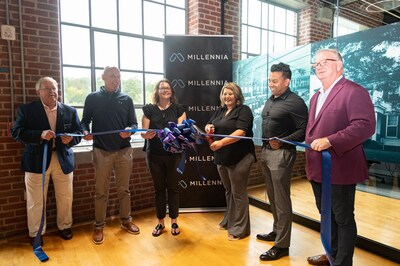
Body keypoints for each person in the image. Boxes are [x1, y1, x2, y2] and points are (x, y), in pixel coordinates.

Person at [306, 49, 376, 266]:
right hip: (317, 169)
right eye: (315, 64)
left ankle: (342, 262)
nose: (318, 66)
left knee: (343, 218)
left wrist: (331, 140)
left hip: (340, 168)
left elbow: (365, 126)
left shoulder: (354, 91)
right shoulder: (316, 96)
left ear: (339, 65)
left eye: (324, 62)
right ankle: (332, 255)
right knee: (327, 216)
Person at [11, 77, 82, 245]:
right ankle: (35, 233)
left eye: (55, 88)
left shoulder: (70, 111)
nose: (52, 91)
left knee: (65, 197)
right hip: (36, 161)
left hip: (63, 160)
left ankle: (64, 226)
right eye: (47, 88)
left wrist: (70, 140)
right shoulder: (27, 110)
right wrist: (39, 135)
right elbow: (17, 132)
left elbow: (79, 132)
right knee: (35, 199)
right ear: (38, 92)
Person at [80, 66, 140, 245]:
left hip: (123, 150)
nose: (116, 79)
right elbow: (84, 122)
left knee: (124, 189)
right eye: (112, 76)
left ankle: (126, 220)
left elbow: (134, 124)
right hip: (101, 151)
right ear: (103, 77)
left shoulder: (126, 99)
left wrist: (130, 130)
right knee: (101, 192)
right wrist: (85, 132)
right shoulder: (92, 98)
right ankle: (98, 225)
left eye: (118, 76)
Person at [257, 63, 309, 261]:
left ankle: (282, 245)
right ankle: (277, 231)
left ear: (287, 81)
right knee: (272, 197)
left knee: (281, 199)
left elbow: (304, 131)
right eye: (270, 80)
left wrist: (283, 141)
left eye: (274, 81)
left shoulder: (296, 102)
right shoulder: (272, 99)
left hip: (282, 155)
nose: (271, 84)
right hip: (266, 153)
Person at [205, 82, 255, 241]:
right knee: (229, 191)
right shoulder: (220, 110)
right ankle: (229, 221)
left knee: (238, 193)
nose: (227, 96)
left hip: (241, 156)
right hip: (223, 157)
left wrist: (221, 142)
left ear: (237, 95)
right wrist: (208, 128)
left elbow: (241, 131)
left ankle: (241, 229)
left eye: (230, 93)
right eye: (224, 94)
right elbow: (210, 123)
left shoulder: (244, 110)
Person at [140, 79, 187, 237]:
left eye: (167, 88)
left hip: (173, 155)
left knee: (173, 188)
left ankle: (174, 220)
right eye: (162, 88)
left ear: (172, 91)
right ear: (157, 91)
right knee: (159, 189)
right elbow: (143, 132)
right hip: (154, 155)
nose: (165, 90)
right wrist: (147, 134)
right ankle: (161, 222)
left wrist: (176, 135)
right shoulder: (149, 110)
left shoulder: (179, 109)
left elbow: (182, 131)